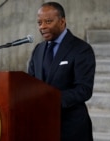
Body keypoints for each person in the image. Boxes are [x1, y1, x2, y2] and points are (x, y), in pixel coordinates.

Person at [27, 2, 96, 141]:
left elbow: (84, 89)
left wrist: (51, 100)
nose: (42, 27)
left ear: (62, 21)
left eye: (48, 21)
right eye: (39, 23)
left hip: (71, 129)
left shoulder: (81, 49)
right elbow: (30, 83)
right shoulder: (38, 50)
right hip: (43, 127)